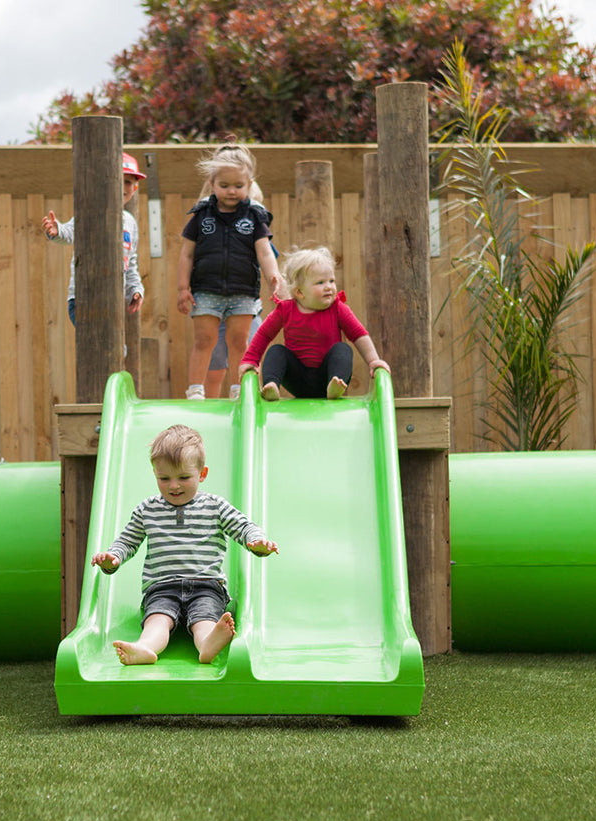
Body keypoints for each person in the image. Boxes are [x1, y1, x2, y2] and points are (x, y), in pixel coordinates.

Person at [91, 424, 277, 665]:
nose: (174, 486)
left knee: (204, 618)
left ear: (202, 474)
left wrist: (256, 542)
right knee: (157, 619)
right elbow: (127, 541)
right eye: (164, 478)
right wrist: (112, 558)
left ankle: (208, 643)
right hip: (162, 587)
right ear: (155, 474)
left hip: (206, 585)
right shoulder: (147, 509)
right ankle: (145, 648)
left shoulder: (215, 506)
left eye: (184, 478)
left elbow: (244, 527)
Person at [178, 143, 282, 401]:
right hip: (206, 290)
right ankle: (195, 390)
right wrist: (183, 288)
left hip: (242, 291)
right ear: (212, 184)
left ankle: (239, 389)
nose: (232, 191)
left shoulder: (254, 217)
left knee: (239, 342)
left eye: (238, 185)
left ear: (249, 184)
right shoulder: (202, 215)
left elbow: (265, 252)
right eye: (224, 185)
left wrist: (274, 277)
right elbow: (186, 253)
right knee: (204, 340)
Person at [239, 246, 389, 400]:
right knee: (276, 351)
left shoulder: (338, 308)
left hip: (327, 376)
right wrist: (250, 359)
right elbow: (264, 334)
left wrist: (373, 361)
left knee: (343, 349)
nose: (329, 286)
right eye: (320, 282)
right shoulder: (286, 310)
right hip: (298, 378)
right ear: (299, 292)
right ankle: (271, 385)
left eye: (331, 281)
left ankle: (335, 385)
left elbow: (359, 335)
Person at [42, 152, 146, 325]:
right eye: (116, 180)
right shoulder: (90, 212)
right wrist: (57, 230)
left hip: (113, 300)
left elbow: (130, 263)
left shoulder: (130, 223)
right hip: (84, 298)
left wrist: (135, 289)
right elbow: (69, 233)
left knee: (112, 342)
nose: (121, 186)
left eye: (127, 182)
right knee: (96, 340)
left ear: (134, 189)